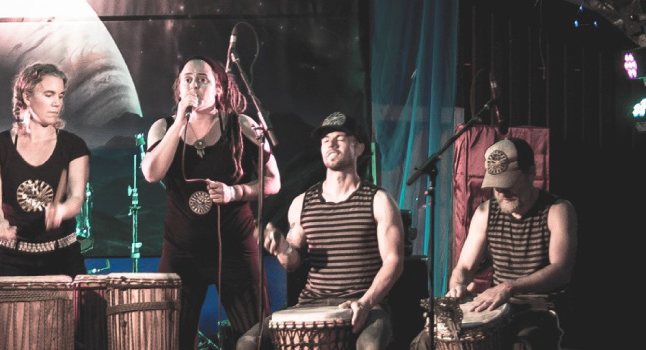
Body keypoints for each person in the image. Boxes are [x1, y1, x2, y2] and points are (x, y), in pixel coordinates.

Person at [140, 56, 280, 350]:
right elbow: (152, 173)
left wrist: (236, 193)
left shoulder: (240, 125)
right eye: (187, 79)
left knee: (257, 336)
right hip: (181, 250)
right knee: (170, 339)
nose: (194, 84)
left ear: (218, 88)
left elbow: (273, 181)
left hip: (235, 249)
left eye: (202, 79)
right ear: (178, 88)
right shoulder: (162, 127)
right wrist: (180, 120)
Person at [237, 112, 404, 350]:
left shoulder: (379, 200)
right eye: (325, 140)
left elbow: (394, 262)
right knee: (247, 343)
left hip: (365, 304)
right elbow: (293, 263)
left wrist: (366, 303)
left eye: (340, 137)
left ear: (358, 148)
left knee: (370, 346)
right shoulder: (302, 202)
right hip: (311, 303)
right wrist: (282, 248)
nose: (331, 144)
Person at [411, 137, 575, 350]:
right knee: (425, 340)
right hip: (497, 305)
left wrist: (509, 288)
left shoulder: (557, 210)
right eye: (496, 185)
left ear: (531, 173)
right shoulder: (485, 211)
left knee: (524, 343)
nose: (501, 192)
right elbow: (465, 267)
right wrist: (458, 285)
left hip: (539, 307)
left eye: (507, 183)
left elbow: (561, 271)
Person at [0, 62, 90, 277]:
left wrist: (62, 211)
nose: (57, 103)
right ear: (27, 97)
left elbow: (77, 198)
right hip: (10, 255)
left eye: (60, 95)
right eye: (49, 95)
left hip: (62, 255)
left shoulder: (74, 146)